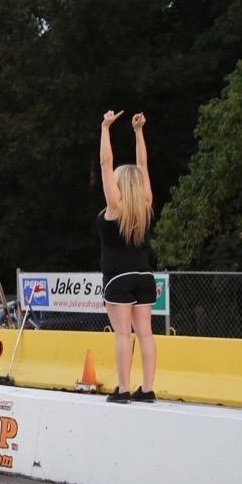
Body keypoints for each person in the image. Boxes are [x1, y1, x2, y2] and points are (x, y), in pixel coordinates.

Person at [99, 110, 157, 404]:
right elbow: (143, 165)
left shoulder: (115, 207)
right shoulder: (145, 205)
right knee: (145, 334)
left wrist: (106, 128)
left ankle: (122, 389)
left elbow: (105, 162)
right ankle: (147, 389)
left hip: (118, 277)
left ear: (120, 184)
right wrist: (138, 132)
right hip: (145, 274)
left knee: (123, 334)